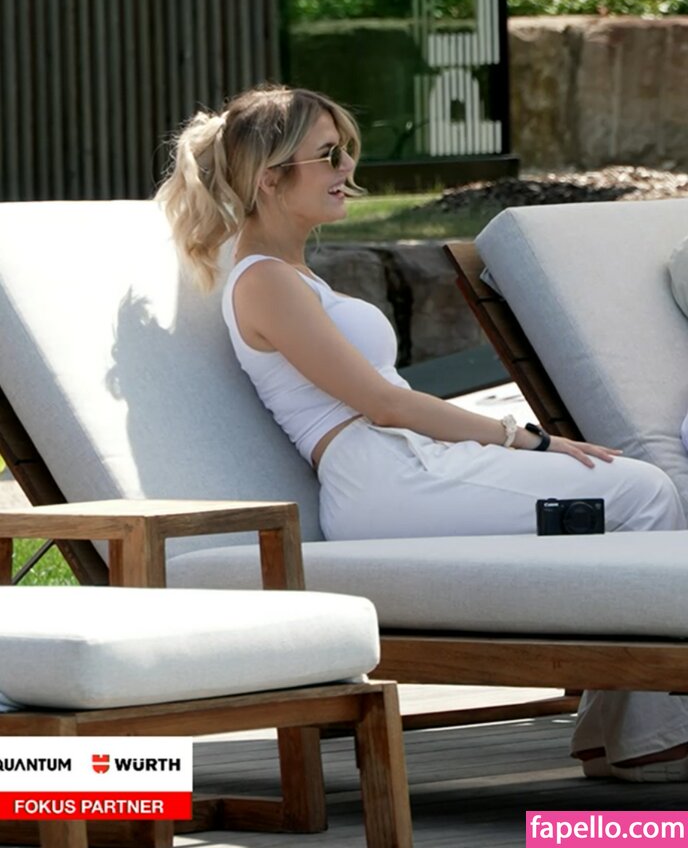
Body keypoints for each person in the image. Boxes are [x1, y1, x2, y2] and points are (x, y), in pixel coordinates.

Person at [157, 82, 688, 782]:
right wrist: (529, 439)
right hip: (385, 477)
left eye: (345, 150)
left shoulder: (290, 275)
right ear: (271, 178)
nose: (348, 168)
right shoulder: (264, 282)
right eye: (328, 155)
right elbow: (383, 404)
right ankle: (646, 737)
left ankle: (616, 731)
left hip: (405, 465)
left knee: (635, 495)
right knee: (641, 493)